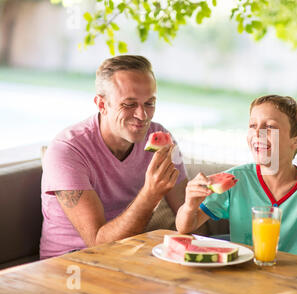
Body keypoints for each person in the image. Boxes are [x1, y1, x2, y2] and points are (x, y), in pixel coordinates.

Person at [176, 95, 297, 264]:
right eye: (253, 125)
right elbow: (185, 228)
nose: (258, 133)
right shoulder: (235, 180)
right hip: (246, 277)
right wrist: (190, 205)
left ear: (296, 140)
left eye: (269, 127)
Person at [40, 55, 188, 259]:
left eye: (149, 103)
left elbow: (186, 213)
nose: (143, 116)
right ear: (101, 104)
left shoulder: (161, 137)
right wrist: (150, 194)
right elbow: (97, 242)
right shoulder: (67, 151)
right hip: (73, 263)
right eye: (129, 104)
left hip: (132, 256)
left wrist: (203, 202)